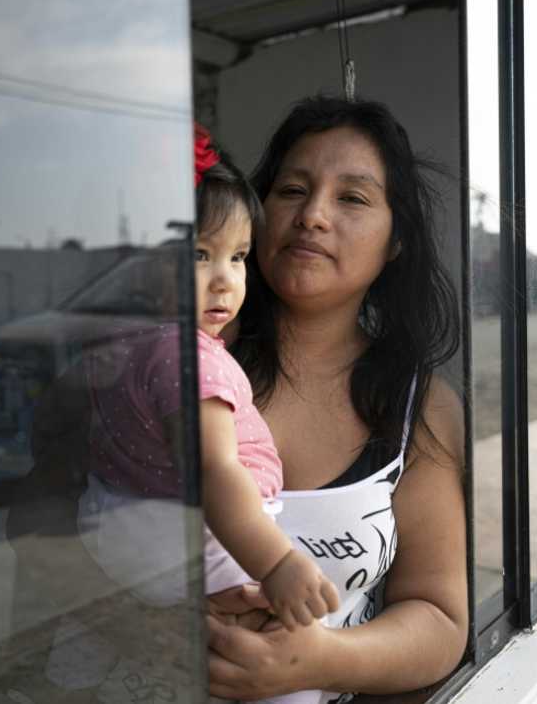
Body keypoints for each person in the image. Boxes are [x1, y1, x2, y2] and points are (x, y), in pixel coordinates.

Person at [205, 96, 466, 703]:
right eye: (292, 190)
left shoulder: (417, 408)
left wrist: (318, 661)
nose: (313, 215)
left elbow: (439, 618)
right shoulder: (175, 366)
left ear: (395, 239)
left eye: (352, 197)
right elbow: (45, 523)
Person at [76, 125, 338, 630]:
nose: (225, 279)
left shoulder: (119, 342)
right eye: (199, 255)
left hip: (119, 527)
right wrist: (278, 564)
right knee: (301, 636)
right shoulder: (195, 362)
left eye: (238, 257)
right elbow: (216, 471)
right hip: (204, 540)